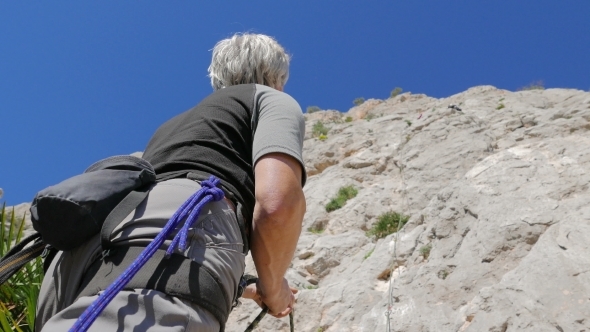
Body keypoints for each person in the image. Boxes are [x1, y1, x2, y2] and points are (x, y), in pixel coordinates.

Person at [36, 33, 306, 331]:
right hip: (180, 226)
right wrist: (273, 287)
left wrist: (247, 287)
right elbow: (277, 205)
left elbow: (147, 243)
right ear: (277, 75)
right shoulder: (269, 98)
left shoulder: (171, 127)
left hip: (79, 260)